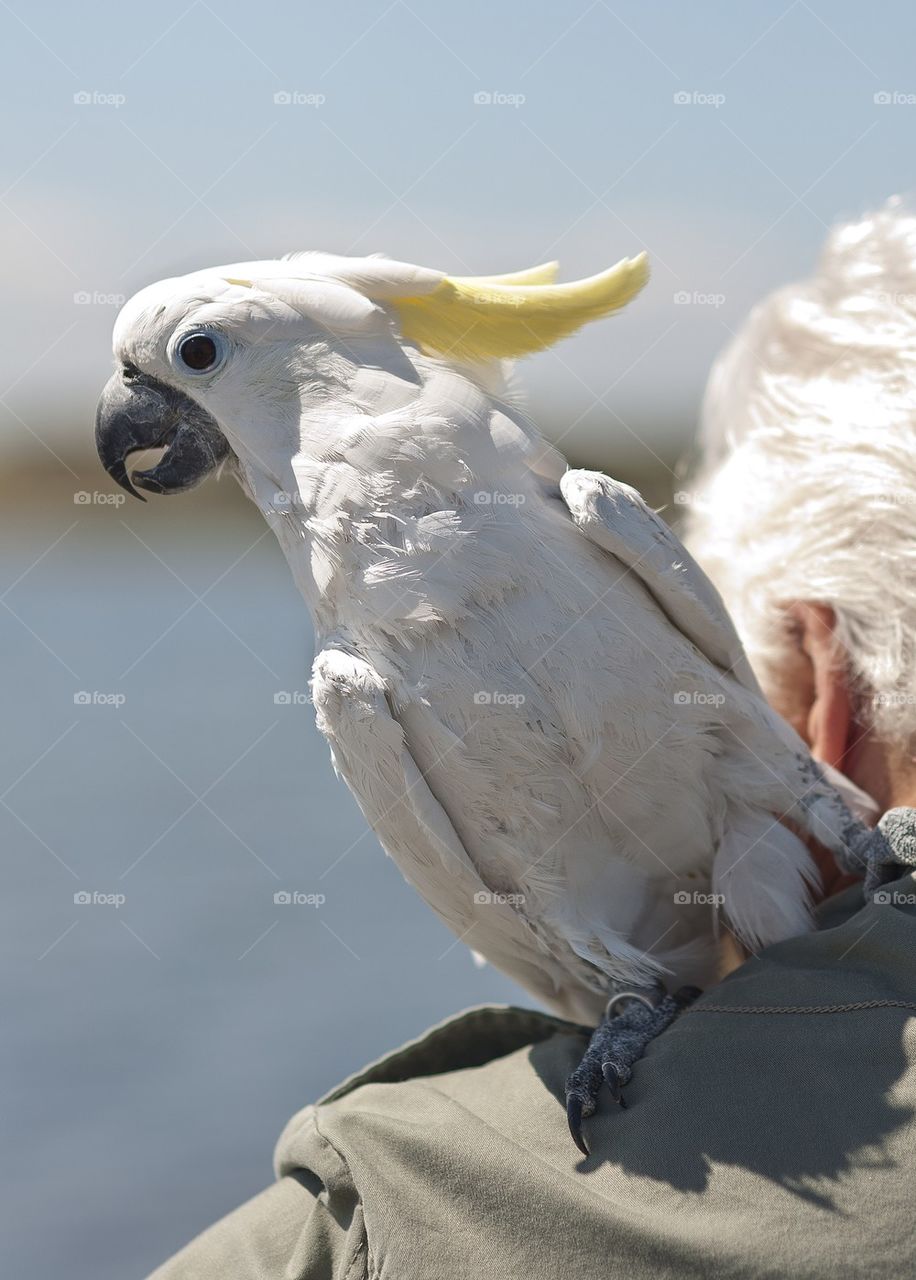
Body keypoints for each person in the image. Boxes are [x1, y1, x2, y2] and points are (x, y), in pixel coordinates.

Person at [148, 205, 916, 1279]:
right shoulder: (354, 680)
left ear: (823, 678)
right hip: (631, 964)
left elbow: (768, 762)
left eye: (195, 356)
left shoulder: (365, 1222)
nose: (145, 400)